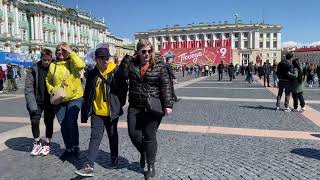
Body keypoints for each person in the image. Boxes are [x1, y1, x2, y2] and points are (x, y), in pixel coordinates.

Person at [121, 39, 173, 179]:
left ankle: (150, 166)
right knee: (134, 134)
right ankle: (144, 152)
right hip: (135, 106)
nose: (147, 54)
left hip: (153, 106)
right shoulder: (132, 64)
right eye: (143, 51)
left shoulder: (159, 65)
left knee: (150, 136)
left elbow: (165, 85)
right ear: (138, 52)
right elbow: (121, 76)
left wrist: (168, 105)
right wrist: (127, 58)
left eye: (150, 51)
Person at [75, 48, 127, 176]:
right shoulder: (92, 74)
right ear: (96, 59)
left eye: (107, 58)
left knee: (112, 135)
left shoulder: (115, 71)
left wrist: (119, 104)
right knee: (95, 137)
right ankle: (89, 165)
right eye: (102, 58)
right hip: (97, 112)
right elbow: (88, 94)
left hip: (111, 111)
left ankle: (114, 157)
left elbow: (123, 89)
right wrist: (85, 112)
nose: (105, 60)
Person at [46, 42, 86, 161]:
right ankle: (69, 149)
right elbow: (48, 79)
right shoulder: (53, 65)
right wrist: (52, 89)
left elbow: (81, 65)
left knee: (70, 121)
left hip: (75, 97)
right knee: (63, 124)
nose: (60, 52)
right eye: (58, 50)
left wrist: (71, 52)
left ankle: (76, 146)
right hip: (59, 99)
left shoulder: (72, 62)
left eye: (63, 50)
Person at [25, 49, 55, 156]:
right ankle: (37, 143)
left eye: (48, 60)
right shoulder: (33, 69)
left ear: (51, 58)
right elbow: (28, 88)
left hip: (51, 100)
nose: (46, 62)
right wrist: (31, 104)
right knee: (34, 121)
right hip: (37, 100)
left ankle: (47, 144)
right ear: (41, 58)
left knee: (49, 121)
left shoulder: (55, 67)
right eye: (44, 60)